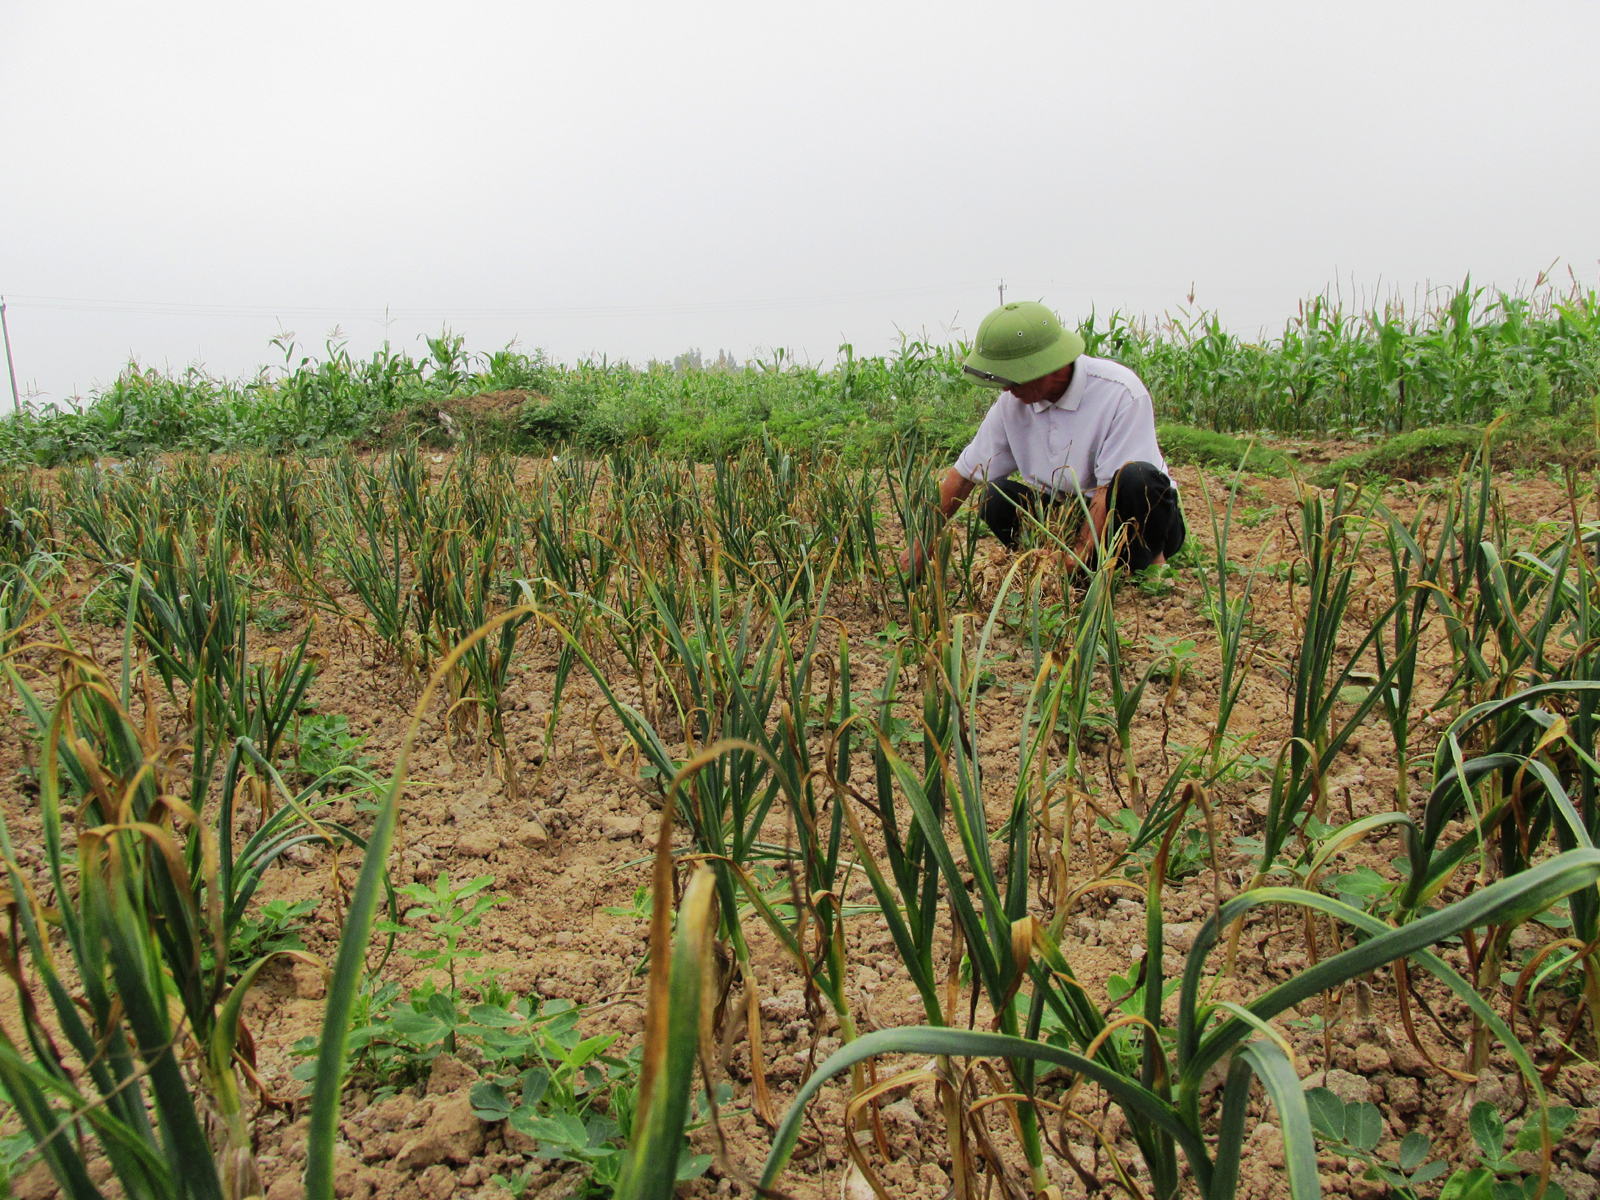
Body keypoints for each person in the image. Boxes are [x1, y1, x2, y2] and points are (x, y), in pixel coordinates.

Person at [900, 300, 1184, 574]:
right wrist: (922, 542)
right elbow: (965, 474)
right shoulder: (1012, 405)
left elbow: (1107, 490)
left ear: (1049, 365)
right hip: (1067, 515)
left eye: (1013, 378)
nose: (1006, 389)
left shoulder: (1120, 392)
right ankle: (1056, 562)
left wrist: (1078, 554)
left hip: (1127, 516)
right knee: (994, 496)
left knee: (1137, 478)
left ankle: (1143, 566)